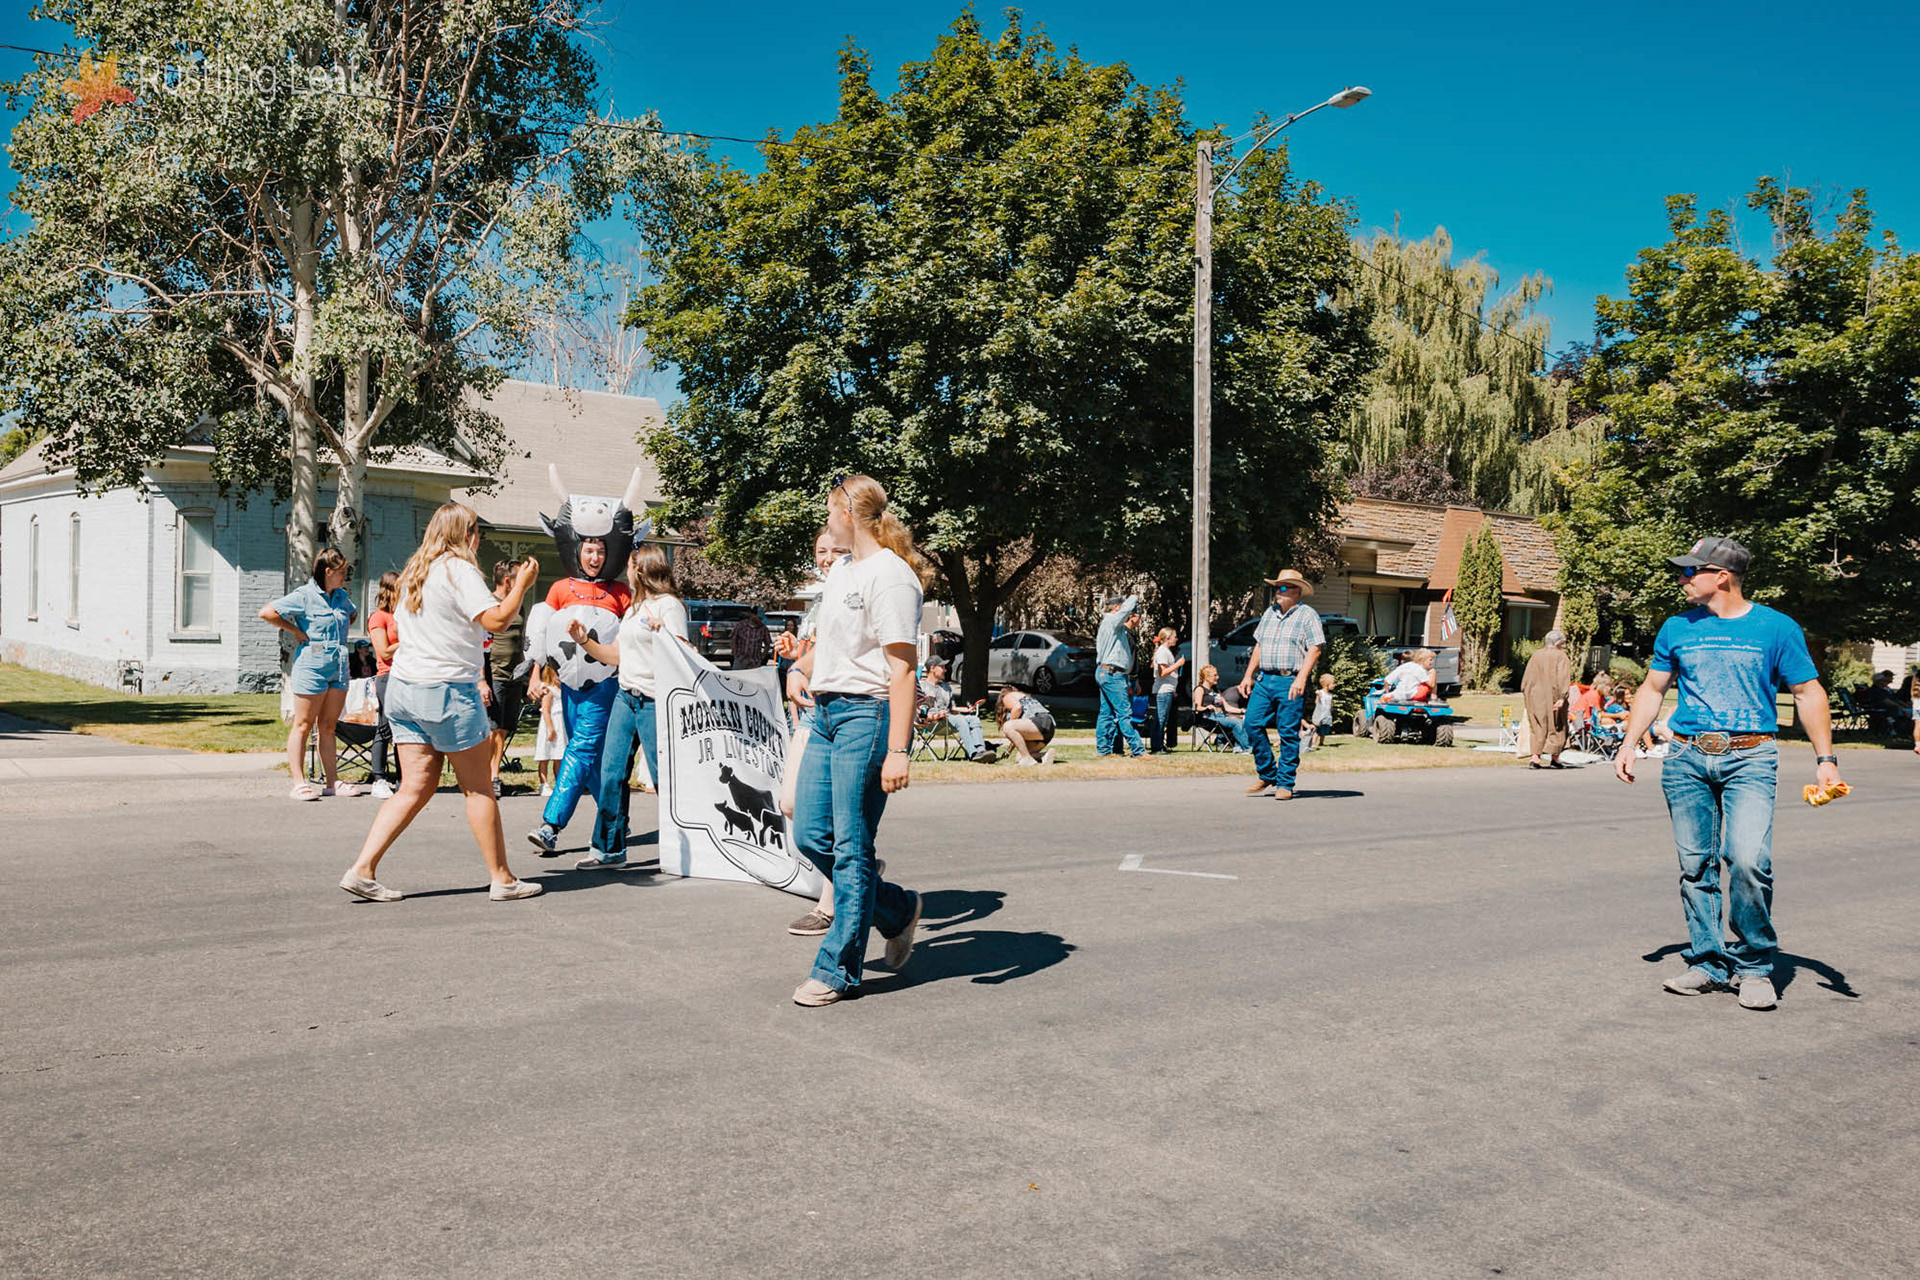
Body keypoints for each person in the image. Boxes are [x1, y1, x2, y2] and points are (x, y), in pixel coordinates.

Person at [1615, 535, 1842, 1011]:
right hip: (1686, 758)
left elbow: (1808, 692)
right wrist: (1630, 742)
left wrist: (1826, 760)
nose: (1682, 578)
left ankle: (1755, 965)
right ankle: (1708, 961)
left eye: (1690, 571)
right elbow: (1653, 688)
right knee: (1695, 865)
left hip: (1751, 756)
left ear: (1721, 576)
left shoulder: (1776, 628)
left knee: (1747, 860)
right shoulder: (1676, 627)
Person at [338, 502, 544, 903]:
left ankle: (362, 869)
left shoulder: (417, 572)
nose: (478, 538)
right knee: (479, 789)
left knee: (414, 787)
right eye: (476, 531)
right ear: (464, 534)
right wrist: (522, 584)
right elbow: (497, 620)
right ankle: (502, 878)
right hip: (448, 690)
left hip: (404, 688)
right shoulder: (459, 569)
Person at [781, 473, 926, 1007]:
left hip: (867, 718)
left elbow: (903, 669)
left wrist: (898, 749)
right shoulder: (843, 569)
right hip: (825, 714)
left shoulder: (890, 577)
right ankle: (895, 910)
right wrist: (804, 667)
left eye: (827, 511)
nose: (824, 522)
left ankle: (837, 970)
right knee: (811, 834)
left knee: (850, 847)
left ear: (846, 513)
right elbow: (836, 642)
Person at [568, 544, 691, 870]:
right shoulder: (634, 610)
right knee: (611, 775)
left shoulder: (669, 607)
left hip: (655, 700)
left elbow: (684, 653)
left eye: (630, 566)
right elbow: (616, 656)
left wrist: (663, 632)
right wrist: (584, 641)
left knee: (664, 779)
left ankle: (685, 849)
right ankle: (608, 850)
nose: (626, 572)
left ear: (644, 569)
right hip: (626, 696)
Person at [260, 548, 364, 800]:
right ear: (327, 572)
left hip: (338, 664)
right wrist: (294, 629)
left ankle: (332, 782)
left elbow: (352, 613)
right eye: (341, 573)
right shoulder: (304, 596)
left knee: (328, 726)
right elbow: (267, 612)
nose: (345, 577)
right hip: (312, 664)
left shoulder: (341, 596)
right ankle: (299, 782)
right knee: (303, 724)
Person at [1238, 568, 1324, 800]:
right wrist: (1248, 676)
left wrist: (1301, 678)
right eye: (1277, 587)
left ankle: (1285, 783)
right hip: (1265, 679)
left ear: (1297, 591)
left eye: (1284, 587)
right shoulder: (1269, 613)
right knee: (1251, 723)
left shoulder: (1307, 615)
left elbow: (1315, 648)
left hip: (1290, 679)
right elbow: (1259, 646)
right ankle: (1267, 774)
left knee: (1287, 732)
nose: (1278, 591)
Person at [483, 560, 529, 799]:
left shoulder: (517, 605)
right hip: (494, 673)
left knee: (503, 728)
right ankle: (492, 777)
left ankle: (491, 775)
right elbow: (479, 644)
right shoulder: (488, 603)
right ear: (508, 581)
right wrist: (481, 680)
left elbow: (519, 640)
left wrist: (524, 669)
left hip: (513, 675)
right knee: (494, 730)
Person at [1094, 593, 1147, 758]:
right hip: (1112, 673)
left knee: (1106, 713)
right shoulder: (1112, 621)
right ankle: (1139, 751)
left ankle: (1103, 750)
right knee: (1124, 713)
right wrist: (1133, 598)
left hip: (1105, 672)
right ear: (1116, 607)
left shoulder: (1111, 625)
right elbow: (1124, 613)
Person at [366, 571, 402, 798]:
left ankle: (402, 777)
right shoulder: (379, 617)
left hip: (407, 675)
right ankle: (379, 778)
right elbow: (384, 651)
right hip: (387, 676)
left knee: (404, 730)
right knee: (385, 728)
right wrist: (409, 641)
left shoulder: (402, 616)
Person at [919, 658, 996, 763]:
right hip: (932, 722)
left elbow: (951, 708)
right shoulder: (921, 687)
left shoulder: (946, 687)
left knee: (974, 719)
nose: (945, 670)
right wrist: (935, 715)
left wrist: (967, 710)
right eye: (942, 667)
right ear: (932, 668)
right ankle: (973, 753)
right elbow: (918, 710)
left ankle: (981, 750)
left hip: (949, 720)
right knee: (959, 720)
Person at [1521, 630, 1571, 769]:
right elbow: (1563, 677)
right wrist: (1562, 697)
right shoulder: (1561, 656)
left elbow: (1526, 679)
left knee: (1537, 726)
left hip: (1534, 697)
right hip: (1553, 696)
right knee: (1556, 725)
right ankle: (1554, 757)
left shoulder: (1536, 655)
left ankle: (1535, 758)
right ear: (1559, 642)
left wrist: (1527, 694)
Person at [1193, 665, 1251, 752]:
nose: (1218, 677)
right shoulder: (1200, 689)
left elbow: (1227, 707)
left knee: (1244, 720)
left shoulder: (1215, 690)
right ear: (1207, 677)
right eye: (1215, 675)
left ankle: (1238, 747)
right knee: (1237, 722)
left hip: (1221, 717)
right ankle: (1247, 748)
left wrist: (1242, 711)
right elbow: (1197, 708)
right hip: (1208, 718)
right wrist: (1207, 707)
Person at [996, 685, 1057, 766]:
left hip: (1039, 721)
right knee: (1020, 757)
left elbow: (1018, 708)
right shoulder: (1026, 697)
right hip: (1049, 729)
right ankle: (1044, 755)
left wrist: (1008, 726)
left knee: (1007, 726)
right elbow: (1017, 736)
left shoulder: (1008, 696)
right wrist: (1008, 750)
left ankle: (1028, 760)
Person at [530, 662, 566, 796]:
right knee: (545, 756)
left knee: (559, 756)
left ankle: (559, 783)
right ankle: (543, 784)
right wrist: (550, 728)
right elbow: (545, 710)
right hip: (551, 724)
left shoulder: (563, 690)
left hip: (560, 726)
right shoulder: (548, 690)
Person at [1149, 627, 1185, 753]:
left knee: (1163, 718)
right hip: (1163, 691)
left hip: (1168, 689)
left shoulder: (1166, 651)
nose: (1176, 639)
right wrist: (1178, 664)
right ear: (1168, 638)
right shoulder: (1163, 652)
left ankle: (1159, 744)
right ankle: (1157, 746)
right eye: (1174, 636)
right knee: (1160, 719)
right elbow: (1162, 672)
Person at [1306, 671, 1335, 751]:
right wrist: (1318, 696)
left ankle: (1321, 742)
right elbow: (1316, 702)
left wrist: (1331, 710)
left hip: (1327, 714)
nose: (1334, 685)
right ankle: (1313, 742)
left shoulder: (1330, 695)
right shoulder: (1321, 693)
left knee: (1325, 728)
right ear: (1327, 684)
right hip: (1320, 714)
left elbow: (1330, 704)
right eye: (1332, 684)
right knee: (1318, 729)